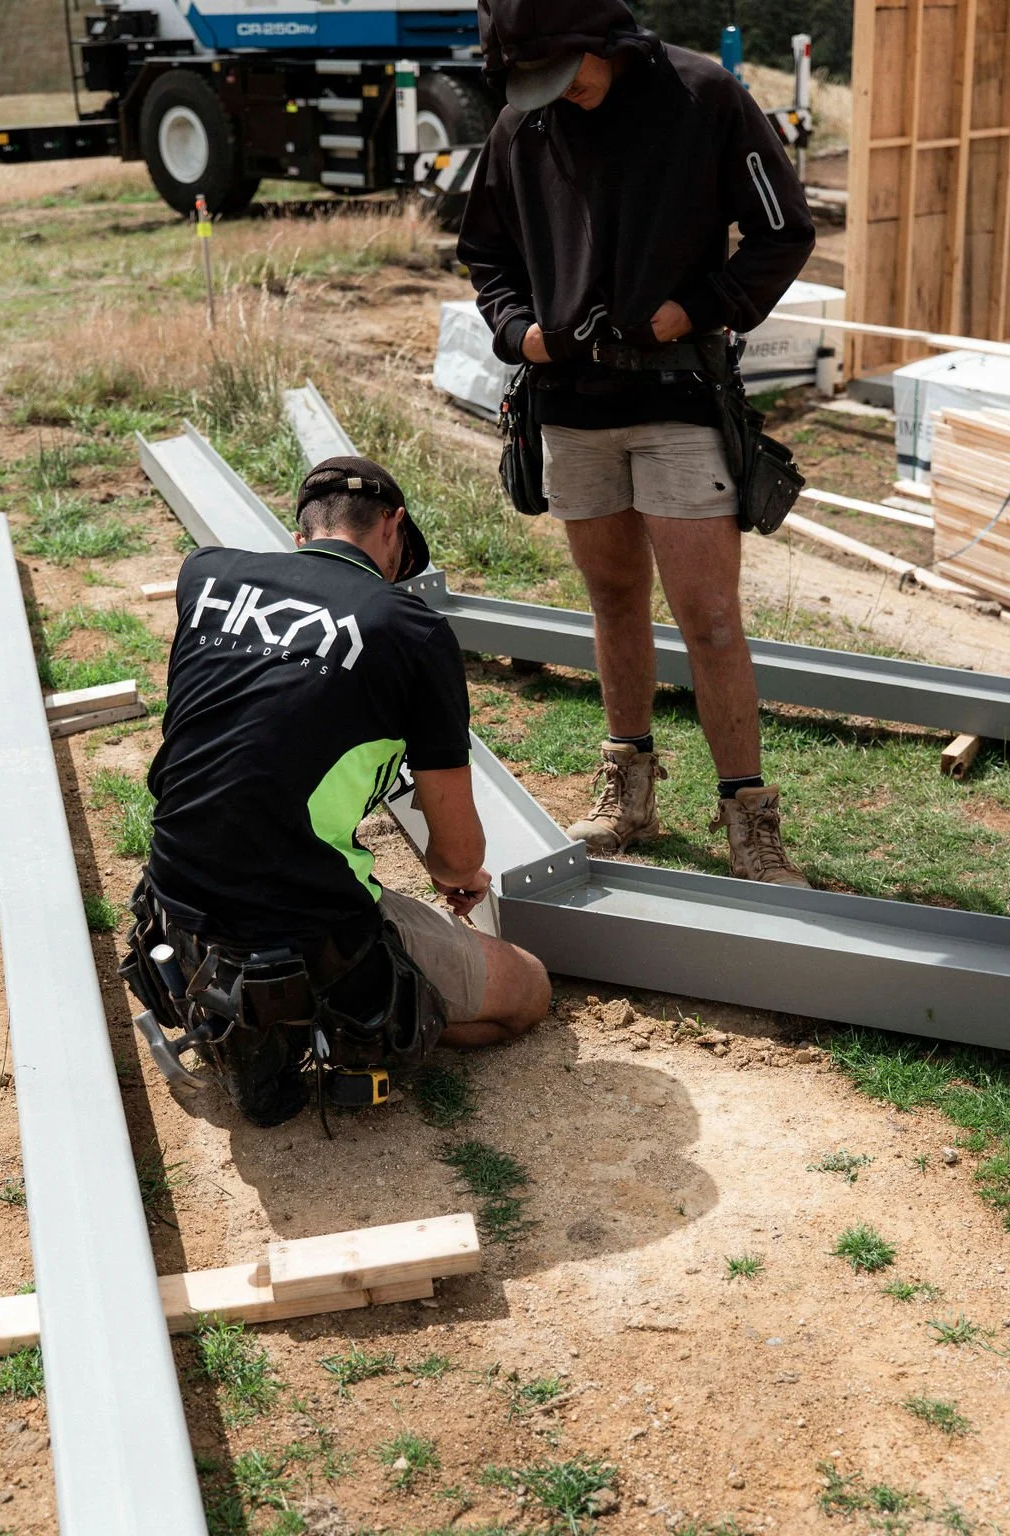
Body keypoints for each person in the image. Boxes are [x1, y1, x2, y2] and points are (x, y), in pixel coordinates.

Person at [458, 0, 817, 886]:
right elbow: (487, 255)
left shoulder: (704, 95)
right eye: (535, 83)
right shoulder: (521, 123)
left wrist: (701, 310)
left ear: (601, 36)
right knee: (614, 601)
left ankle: (749, 816)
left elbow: (784, 232)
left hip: (679, 400)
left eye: (568, 72)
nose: (561, 96)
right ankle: (629, 790)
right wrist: (520, 334)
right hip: (571, 407)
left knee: (712, 618)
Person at [123, 455, 550, 1127]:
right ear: (393, 525)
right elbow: (455, 853)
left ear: (304, 535)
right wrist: (459, 876)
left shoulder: (205, 575)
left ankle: (234, 1009)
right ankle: (299, 1024)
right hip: (307, 928)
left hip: (176, 901)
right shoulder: (413, 632)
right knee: (526, 989)